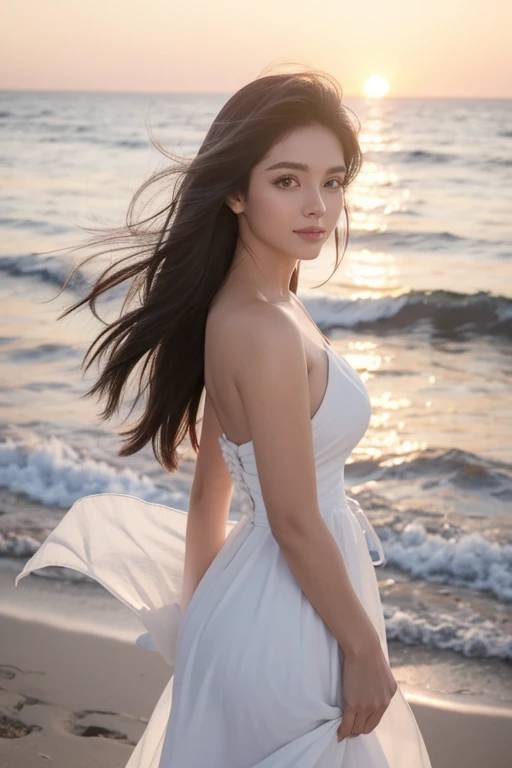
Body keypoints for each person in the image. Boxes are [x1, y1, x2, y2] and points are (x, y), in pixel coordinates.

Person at [15, 69, 432, 766]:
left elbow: (212, 495)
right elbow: (295, 520)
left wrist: (200, 627)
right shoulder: (263, 326)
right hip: (292, 622)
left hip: (267, 608)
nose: (318, 207)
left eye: (333, 181)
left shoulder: (264, 306)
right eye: (288, 180)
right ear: (236, 191)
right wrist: (361, 649)